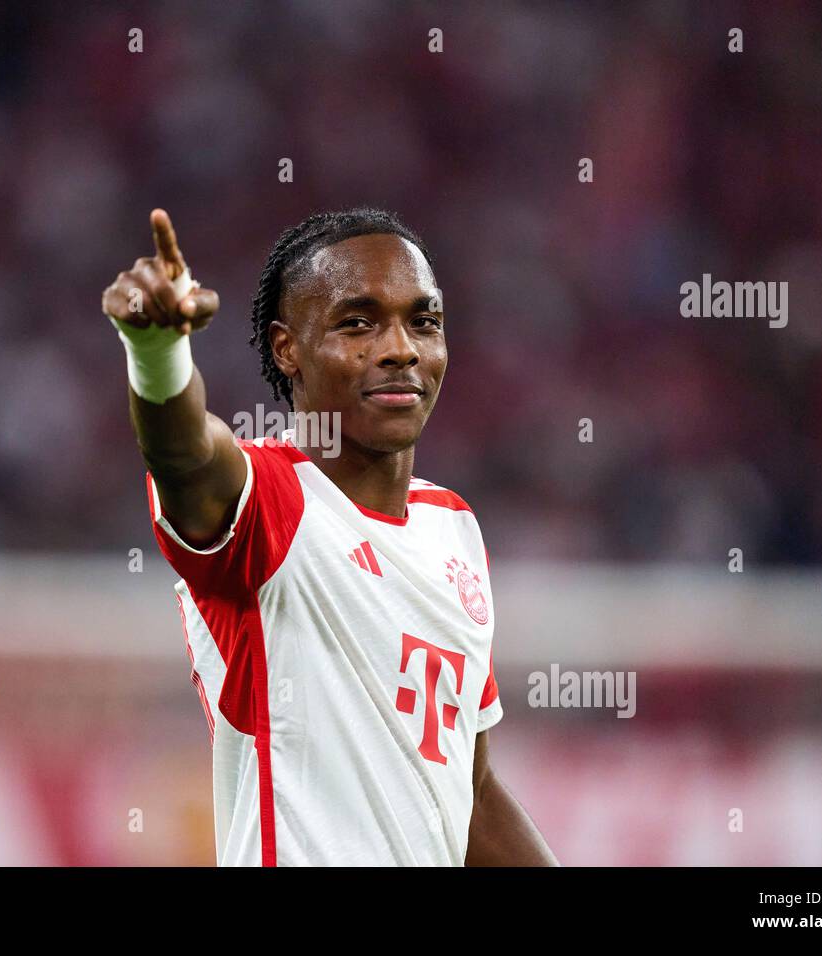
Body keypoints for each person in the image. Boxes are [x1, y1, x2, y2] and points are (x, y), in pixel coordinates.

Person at [102, 207, 558, 866]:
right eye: (358, 323)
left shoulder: (452, 527)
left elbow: (472, 792)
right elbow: (185, 457)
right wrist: (157, 353)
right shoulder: (271, 501)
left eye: (423, 322)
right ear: (288, 347)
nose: (401, 348)